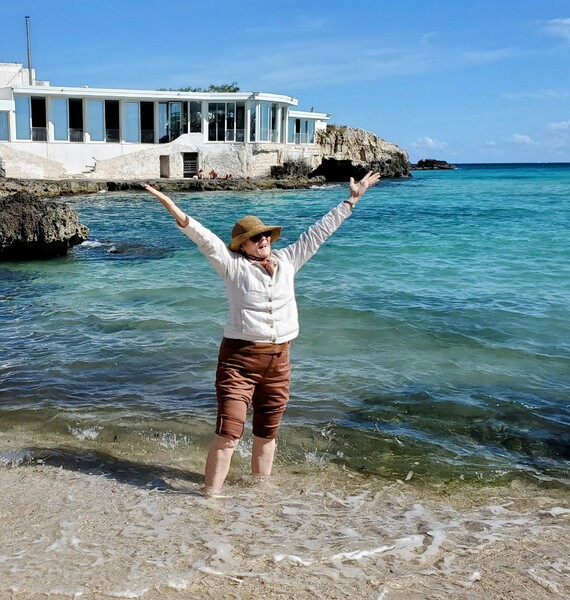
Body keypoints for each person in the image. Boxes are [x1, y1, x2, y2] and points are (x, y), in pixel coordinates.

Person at [143, 171, 380, 495]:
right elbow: (204, 238)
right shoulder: (232, 265)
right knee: (229, 434)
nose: (263, 240)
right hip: (239, 362)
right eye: (256, 238)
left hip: (279, 362)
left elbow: (319, 232)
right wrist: (172, 207)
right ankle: (209, 499)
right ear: (243, 245)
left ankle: (259, 498)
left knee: (267, 435)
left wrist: (351, 200)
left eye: (265, 235)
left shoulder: (288, 260)